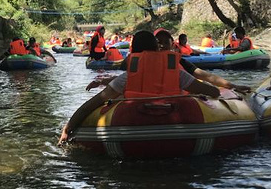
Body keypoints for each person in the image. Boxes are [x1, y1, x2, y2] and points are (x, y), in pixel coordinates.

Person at [58, 31, 220, 144]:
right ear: (157, 49)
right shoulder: (177, 74)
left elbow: (90, 106)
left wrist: (67, 128)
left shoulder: (127, 78)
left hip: (132, 128)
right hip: (177, 130)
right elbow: (213, 92)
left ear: (134, 52)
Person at [154, 28, 251, 93]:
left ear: (172, 43)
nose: (162, 45)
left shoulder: (179, 61)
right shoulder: (144, 64)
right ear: (152, 44)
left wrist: (232, 86)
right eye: (158, 42)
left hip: (177, 102)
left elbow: (206, 75)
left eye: (165, 42)